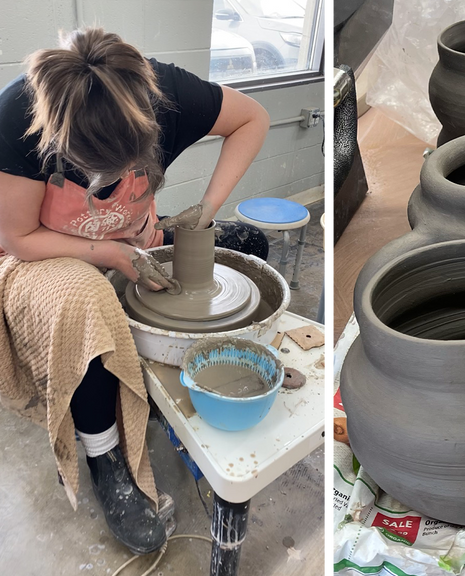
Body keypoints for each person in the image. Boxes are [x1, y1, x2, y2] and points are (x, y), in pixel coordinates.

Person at [0, 28, 271, 554]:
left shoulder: (163, 91)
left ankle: (182, 380)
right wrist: (106, 255)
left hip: (125, 237)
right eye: (103, 172)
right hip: (36, 251)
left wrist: (202, 216)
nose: (121, 176)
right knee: (88, 298)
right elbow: (16, 235)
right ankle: (104, 457)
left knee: (245, 243)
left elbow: (251, 119)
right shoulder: (16, 116)